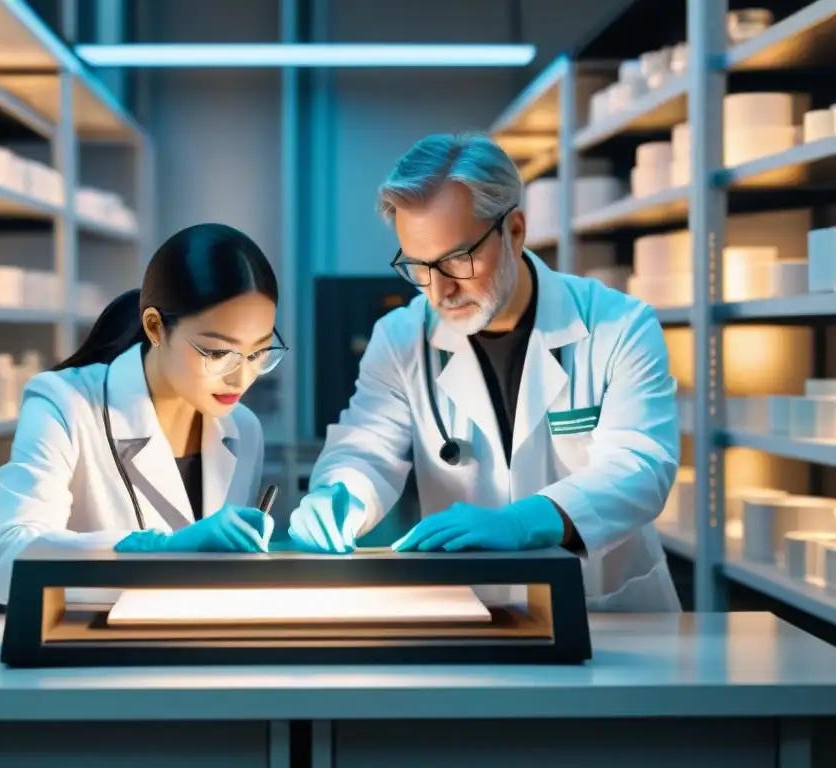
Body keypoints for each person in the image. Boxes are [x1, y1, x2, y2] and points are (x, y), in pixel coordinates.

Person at [289, 132, 681, 612]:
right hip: (474, 610)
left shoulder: (619, 326)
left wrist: (525, 521)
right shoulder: (400, 338)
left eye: (458, 259)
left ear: (514, 231)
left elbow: (641, 468)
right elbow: (367, 450)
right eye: (417, 266)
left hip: (609, 617)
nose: (438, 291)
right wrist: (340, 495)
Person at [0, 223, 288, 605]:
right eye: (217, 353)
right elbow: (4, 562)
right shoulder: (65, 403)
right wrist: (158, 549)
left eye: (258, 353)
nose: (241, 378)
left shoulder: (243, 428)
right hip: (92, 655)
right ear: (156, 327)